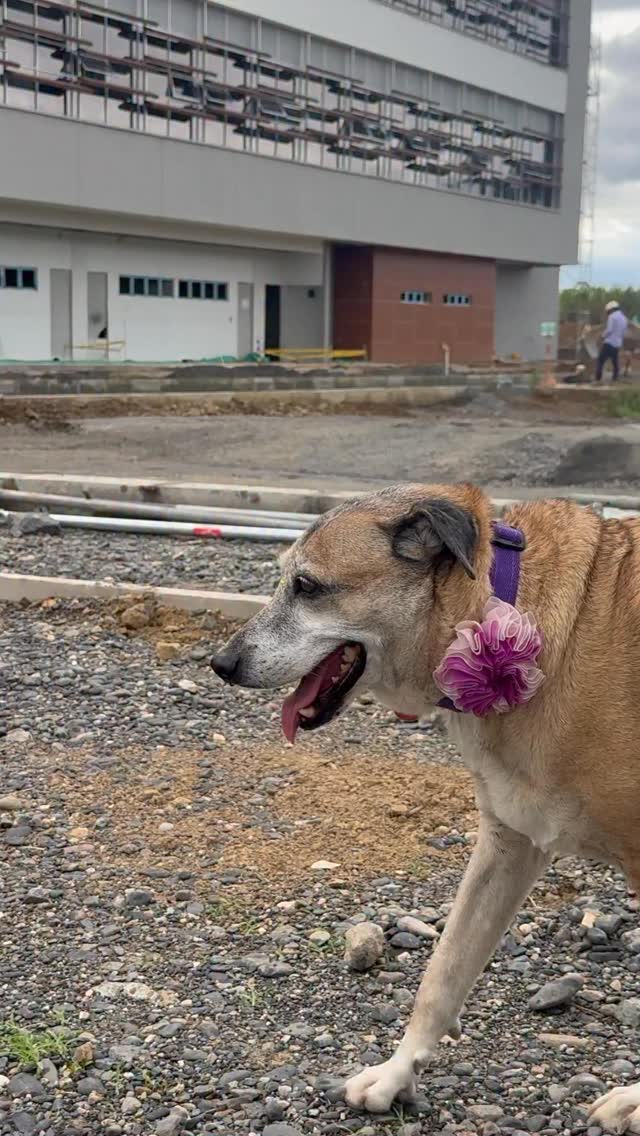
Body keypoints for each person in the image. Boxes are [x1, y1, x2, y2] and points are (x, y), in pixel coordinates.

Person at [596, 299, 628, 382]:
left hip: (609, 342)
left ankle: (597, 378)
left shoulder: (612, 316)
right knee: (615, 361)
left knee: (600, 360)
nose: (608, 313)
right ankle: (615, 378)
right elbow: (624, 332)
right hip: (618, 343)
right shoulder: (624, 318)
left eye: (608, 311)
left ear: (611, 309)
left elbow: (609, 330)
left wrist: (602, 336)